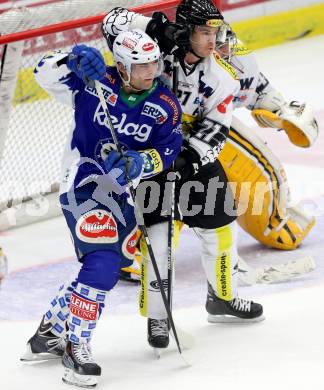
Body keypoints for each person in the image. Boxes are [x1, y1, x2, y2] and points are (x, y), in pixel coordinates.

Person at [21, 29, 182, 387]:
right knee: (104, 265)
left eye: (153, 62)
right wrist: (69, 60)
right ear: (122, 65)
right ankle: (76, 349)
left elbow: (168, 149)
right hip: (82, 180)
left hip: (119, 193)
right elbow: (42, 73)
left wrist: (142, 163)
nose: (150, 71)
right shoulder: (93, 79)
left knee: (115, 260)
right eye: (141, 65)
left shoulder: (166, 105)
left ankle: (48, 332)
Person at [103, 0, 264, 351]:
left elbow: (216, 130)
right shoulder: (156, 50)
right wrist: (154, 27)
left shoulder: (220, 78)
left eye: (214, 33)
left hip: (190, 160)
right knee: (159, 240)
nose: (211, 41)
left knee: (221, 227)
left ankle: (223, 298)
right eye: (203, 32)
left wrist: (185, 161)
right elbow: (112, 22)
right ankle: (158, 318)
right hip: (149, 155)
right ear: (187, 30)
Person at [214, 25, 318, 250]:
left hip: (205, 124)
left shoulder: (239, 60)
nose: (220, 52)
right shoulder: (176, 61)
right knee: (174, 184)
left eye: (223, 46)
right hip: (166, 124)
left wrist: (281, 112)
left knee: (265, 178)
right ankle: (136, 246)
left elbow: (259, 90)